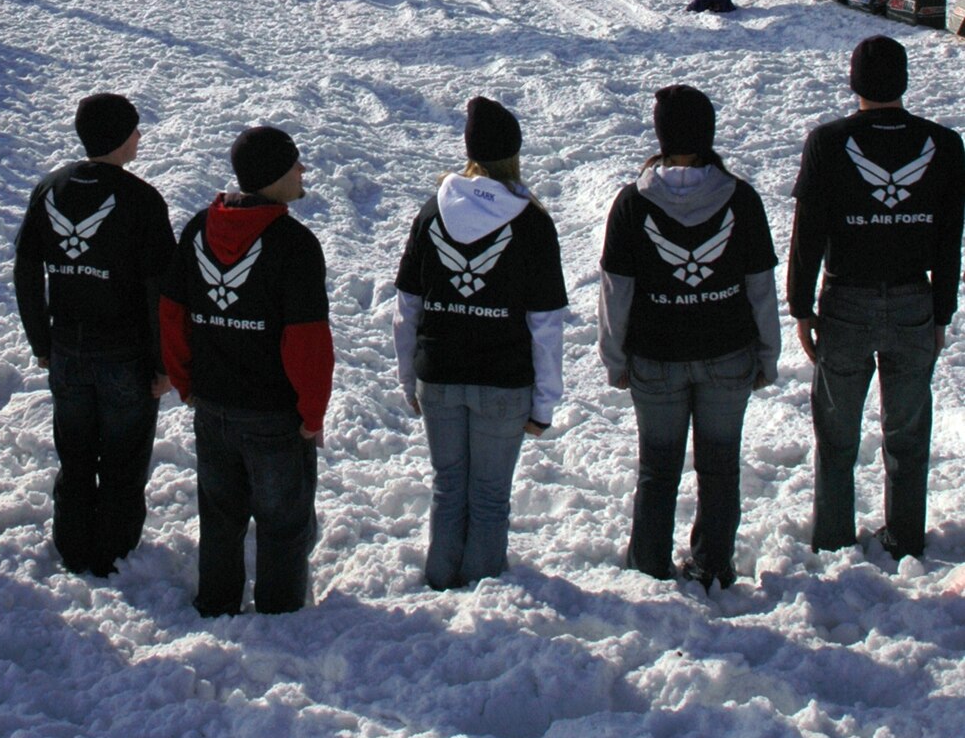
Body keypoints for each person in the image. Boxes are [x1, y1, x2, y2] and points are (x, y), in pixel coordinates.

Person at [788, 35, 965, 562]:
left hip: (846, 303)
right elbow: (950, 236)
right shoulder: (944, 144)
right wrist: (941, 311)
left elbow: (808, 234)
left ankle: (834, 538)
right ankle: (906, 539)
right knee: (907, 435)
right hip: (914, 300)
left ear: (854, 82)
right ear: (904, 82)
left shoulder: (828, 141)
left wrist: (801, 307)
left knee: (837, 435)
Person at [598, 85, 780, 589]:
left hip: (656, 359)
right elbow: (760, 287)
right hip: (728, 354)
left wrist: (615, 357)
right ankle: (712, 566)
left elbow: (617, 291)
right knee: (720, 469)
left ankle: (649, 567)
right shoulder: (740, 198)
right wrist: (768, 353)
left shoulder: (634, 204)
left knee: (657, 469)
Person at [161, 125, 334, 616]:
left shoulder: (199, 228)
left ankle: (216, 603)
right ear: (274, 175)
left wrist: (184, 380)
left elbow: (173, 313)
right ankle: (280, 614)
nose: (303, 170)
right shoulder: (294, 244)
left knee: (220, 517)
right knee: (283, 521)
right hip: (273, 416)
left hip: (212, 405)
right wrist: (312, 413)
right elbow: (306, 342)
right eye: (295, 163)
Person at [393, 98, 567, 588]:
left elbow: (407, 307)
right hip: (503, 382)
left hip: (439, 374)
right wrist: (545, 402)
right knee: (489, 495)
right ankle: (483, 594)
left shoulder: (433, 212)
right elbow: (546, 322)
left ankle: (441, 580)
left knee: (449, 488)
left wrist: (411, 377)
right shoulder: (531, 222)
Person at [13, 92, 176, 577]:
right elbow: (157, 290)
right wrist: (162, 362)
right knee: (124, 458)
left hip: (67, 344)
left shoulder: (50, 187)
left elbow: (26, 268)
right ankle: (116, 549)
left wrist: (40, 339)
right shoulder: (142, 199)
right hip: (124, 351)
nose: (140, 138)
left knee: (75, 452)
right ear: (122, 139)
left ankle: (72, 541)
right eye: (135, 131)